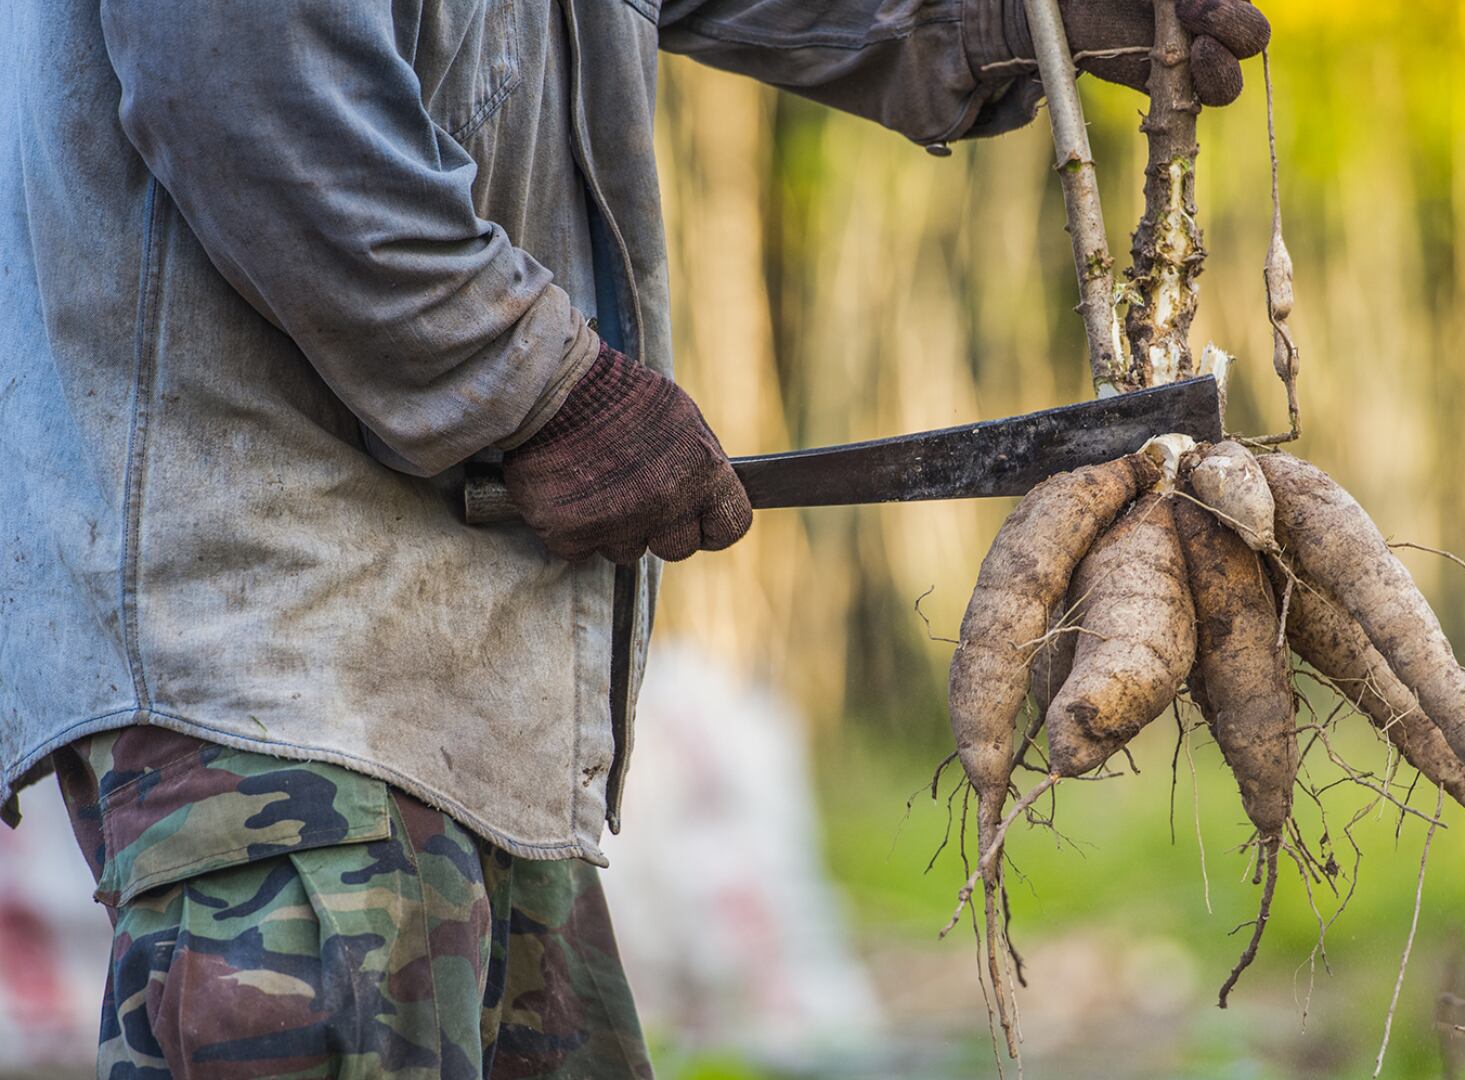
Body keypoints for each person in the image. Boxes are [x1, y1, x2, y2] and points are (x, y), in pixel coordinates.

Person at [0, 0, 1270, 1074]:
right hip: (272, 662)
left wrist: (989, 24)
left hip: (475, 683)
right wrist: (536, 388)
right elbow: (245, 89)